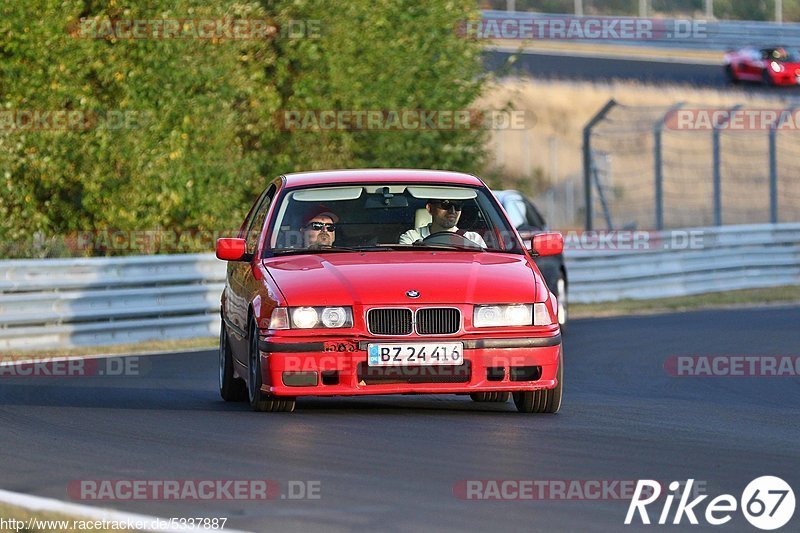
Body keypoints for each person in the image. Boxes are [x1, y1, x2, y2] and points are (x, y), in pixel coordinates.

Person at [399, 199, 486, 247]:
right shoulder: (411, 238)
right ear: (430, 208)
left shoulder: (473, 239)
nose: (452, 211)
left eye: (457, 206)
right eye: (446, 205)